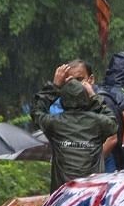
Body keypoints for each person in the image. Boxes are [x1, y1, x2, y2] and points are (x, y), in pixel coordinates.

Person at [31, 60, 118, 190]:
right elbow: (113, 122)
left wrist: (54, 86)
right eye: (69, 81)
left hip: (64, 196)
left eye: (78, 79)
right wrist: (94, 97)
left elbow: (36, 111)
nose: (74, 84)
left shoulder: (54, 124)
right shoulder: (98, 122)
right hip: (91, 192)